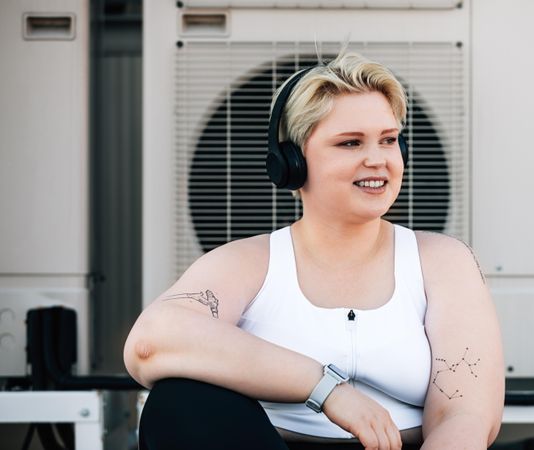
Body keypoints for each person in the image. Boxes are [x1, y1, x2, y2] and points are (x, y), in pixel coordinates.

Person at [124, 51, 505, 450]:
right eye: (350, 143)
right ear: (292, 162)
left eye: (388, 140)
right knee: (180, 401)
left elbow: (465, 415)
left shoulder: (444, 261)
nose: (377, 160)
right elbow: (152, 343)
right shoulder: (246, 263)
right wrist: (327, 390)